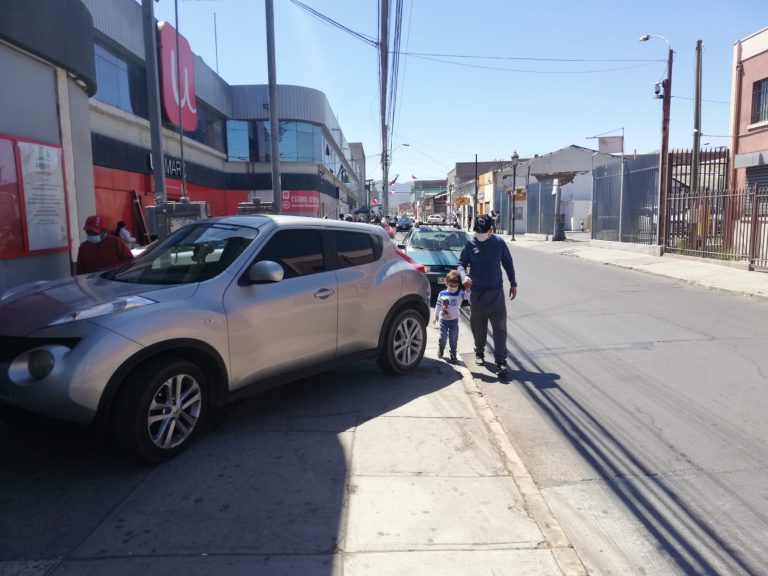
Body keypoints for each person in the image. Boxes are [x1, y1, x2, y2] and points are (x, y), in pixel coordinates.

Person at [457, 213, 517, 376]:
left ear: (491, 230)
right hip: (477, 294)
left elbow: (507, 263)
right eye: (478, 233)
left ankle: (501, 361)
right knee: (478, 325)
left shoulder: (499, 243)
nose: (480, 236)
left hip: (496, 293)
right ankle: (479, 352)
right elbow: (461, 263)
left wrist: (513, 283)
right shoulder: (470, 245)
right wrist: (464, 276)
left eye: (483, 233)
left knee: (500, 328)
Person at [432, 270, 469, 362]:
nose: (453, 288)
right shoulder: (442, 294)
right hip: (443, 320)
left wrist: (468, 289)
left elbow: (468, 297)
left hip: (454, 320)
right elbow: (438, 305)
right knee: (442, 337)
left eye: (455, 286)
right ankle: (441, 349)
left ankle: (453, 352)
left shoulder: (460, 293)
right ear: (446, 283)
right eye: (451, 285)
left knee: (453, 338)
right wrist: (435, 315)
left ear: (458, 285)